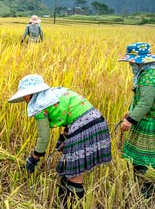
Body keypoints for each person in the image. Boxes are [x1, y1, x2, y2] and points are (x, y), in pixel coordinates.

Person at [9, 74, 112, 205]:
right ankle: (63, 201)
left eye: (25, 95)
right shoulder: (56, 92)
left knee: (74, 172)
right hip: (97, 121)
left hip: (83, 127)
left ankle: (75, 204)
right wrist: (63, 138)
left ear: (32, 94)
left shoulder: (40, 106)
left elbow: (43, 138)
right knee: (68, 167)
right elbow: (72, 112)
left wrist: (34, 158)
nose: (24, 99)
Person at [118, 42, 155, 199]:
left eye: (132, 62)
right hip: (144, 119)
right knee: (141, 156)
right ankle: (141, 182)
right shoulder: (145, 73)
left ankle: (148, 187)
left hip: (150, 122)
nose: (130, 65)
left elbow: (146, 103)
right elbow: (140, 98)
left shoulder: (148, 77)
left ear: (140, 61)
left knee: (147, 157)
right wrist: (131, 111)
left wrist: (130, 120)